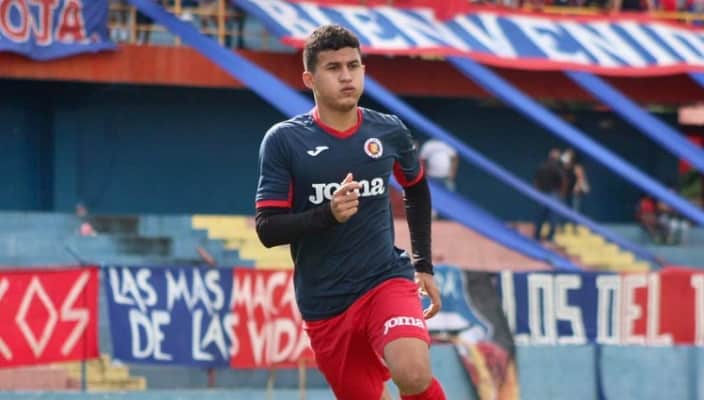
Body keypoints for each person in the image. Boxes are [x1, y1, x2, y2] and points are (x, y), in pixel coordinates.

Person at [254, 25, 446, 400]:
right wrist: (327, 214)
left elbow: (416, 187)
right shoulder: (284, 141)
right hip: (325, 302)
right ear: (310, 79)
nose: (346, 76)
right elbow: (267, 229)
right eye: (333, 68)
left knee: (413, 372)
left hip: (384, 280)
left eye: (353, 65)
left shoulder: (389, 131)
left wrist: (423, 264)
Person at [533, 148, 566, 241]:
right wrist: (561, 194)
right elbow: (563, 181)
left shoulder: (541, 166)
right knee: (553, 218)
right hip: (553, 194)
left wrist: (536, 192)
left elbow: (536, 181)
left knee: (540, 216)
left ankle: (537, 236)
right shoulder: (558, 168)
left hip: (542, 194)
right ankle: (550, 238)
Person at [561, 148, 590, 214]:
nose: (565, 155)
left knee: (574, 210)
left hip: (574, 194)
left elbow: (581, 181)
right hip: (565, 193)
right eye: (566, 153)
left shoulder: (577, 168)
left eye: (568, 154)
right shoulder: (564, 166)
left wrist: (578, 187)